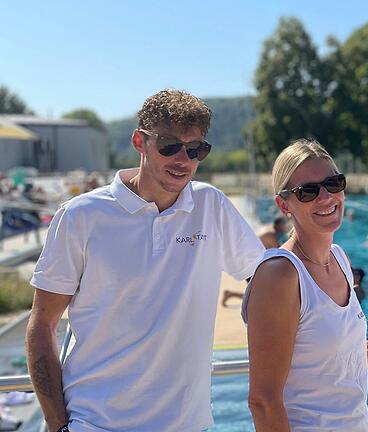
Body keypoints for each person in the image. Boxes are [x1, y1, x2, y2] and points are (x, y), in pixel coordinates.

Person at [25, 89, 266, 432]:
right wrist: (56, 423)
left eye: (196, 149)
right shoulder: (81, 215)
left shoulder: (211, 206)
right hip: (95, 424)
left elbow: (266, 279)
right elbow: (42, 324)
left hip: (187, 425)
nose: (183, 159)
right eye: (169, 146)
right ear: (140, 141)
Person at [243, 139, 368, 431]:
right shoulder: (281, 274)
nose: (326, 197)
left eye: (333, 183)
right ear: (283, 204)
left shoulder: (339, 259)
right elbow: (263, 400)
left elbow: (331, 362)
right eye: (308, 191)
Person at [221, 216, 290, 306]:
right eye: (284, 226)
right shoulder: (270, 234)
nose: (285, 229)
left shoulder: (268, 228)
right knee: (259, 296)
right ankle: (230, 294)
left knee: (258, 295)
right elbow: (279, 252)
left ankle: (230, 294)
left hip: (249, 261)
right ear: (278, 226)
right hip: (250, 263)